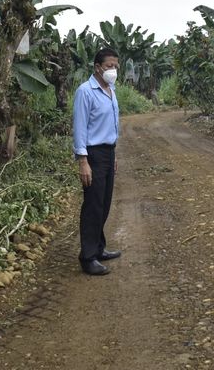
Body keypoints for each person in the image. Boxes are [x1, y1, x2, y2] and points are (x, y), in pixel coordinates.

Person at [72, 48, 122, 276]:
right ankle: (88, 257)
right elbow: (80, 127)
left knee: (104, 203)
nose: (113, 70)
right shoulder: (86, 91)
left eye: (116, 66)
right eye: (109, 66)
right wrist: (83, 161)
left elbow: (111, 126)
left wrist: (114, 155)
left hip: (108, 152)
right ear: (97, 68)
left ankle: (99, 248)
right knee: (93, 206)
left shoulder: (111, 90)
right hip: (93, 154)